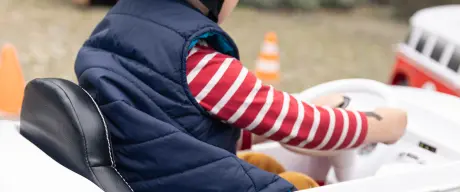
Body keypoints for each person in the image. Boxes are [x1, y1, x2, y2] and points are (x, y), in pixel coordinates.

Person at [74, 0, 407, 191]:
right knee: (299, 185)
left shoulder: (118, 30)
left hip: (144, 172)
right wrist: (377, 126)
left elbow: (175, 116)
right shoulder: (197, 61)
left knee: (263, 164)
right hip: (179, 185)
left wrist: (300, 113)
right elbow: (306, 129)